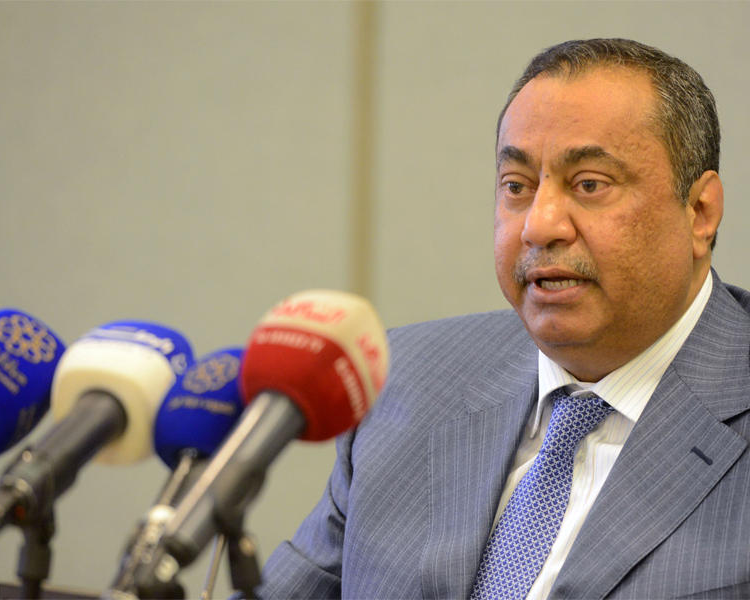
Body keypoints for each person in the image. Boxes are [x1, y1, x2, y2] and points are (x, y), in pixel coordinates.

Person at [254, 39, 750, 599]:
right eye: (517, 187)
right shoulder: (406, 383)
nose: (539, 226)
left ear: (700, 211)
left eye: (589, 184)